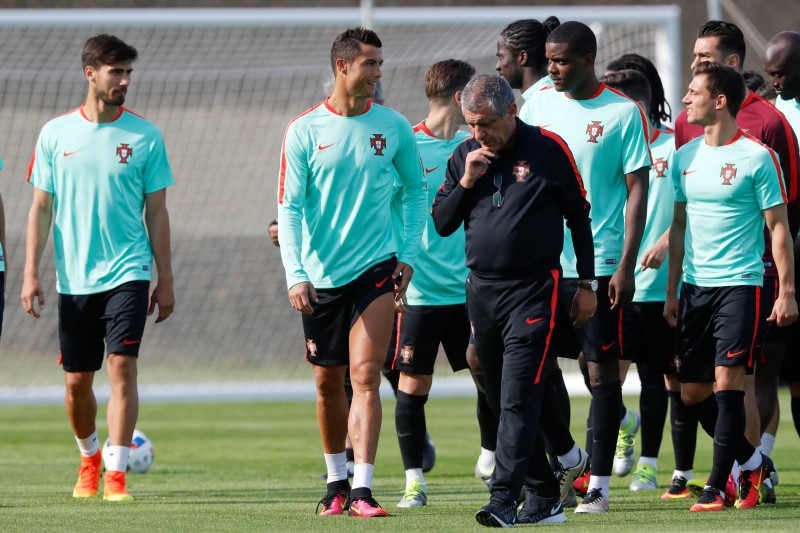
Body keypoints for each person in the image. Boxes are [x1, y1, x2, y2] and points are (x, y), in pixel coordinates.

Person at [433, 73, 595, 527]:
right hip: (481, 292)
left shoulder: (548, 149)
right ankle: (546, 496)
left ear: (511, 111)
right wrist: (465, 182)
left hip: (534, 290)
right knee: (506, 395)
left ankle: (505, 497)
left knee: (518, 397)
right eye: (470, 124)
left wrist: (588, 285)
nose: (477, 134)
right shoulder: (464, 155)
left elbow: (579, 220)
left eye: (485, 123)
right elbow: (442, 224)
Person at [277, 26, 427, 518]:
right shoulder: (303, 130)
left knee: (365, 378)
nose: (378, 74)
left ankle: (362, 490)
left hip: (376, 270)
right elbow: (291, 209)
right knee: (328, 382)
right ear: (343, 66)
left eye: (380, 64)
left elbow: (415, 193)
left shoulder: (395, 126)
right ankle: (335, 485)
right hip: (319, 278)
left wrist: (407, 254)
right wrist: (295, 275)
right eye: (370, 64)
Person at [20, 34, 175, 502]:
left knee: (123, 368)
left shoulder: (146, 136)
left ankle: (116, 474)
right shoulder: (54, 133)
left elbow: (157, 212)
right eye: (116, 72)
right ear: (91, 73)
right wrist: (30, 272)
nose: (125, 81)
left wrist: (164, 276)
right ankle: (88, 458)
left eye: (129, 72)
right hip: (74, 280)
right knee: (75, 385)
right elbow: (40, 208)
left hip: (128, 272)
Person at [523, 21, 651, 513]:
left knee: (602, 377)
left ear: (588, 60)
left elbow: (638, 188)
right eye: (548, 60)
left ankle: (597, 485)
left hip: (596, 264)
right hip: (539, 264)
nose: (551, 69)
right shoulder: (536, 105)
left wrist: (625, 264)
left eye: (560, 61)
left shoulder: (622, 113)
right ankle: (567, 457)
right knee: (529, 367)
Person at [673, 21, 800, 500]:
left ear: (719, 100)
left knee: (730, 385)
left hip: (742, 284)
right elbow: (679, 227)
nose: (685, 100)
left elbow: (780, 227)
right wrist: (671, 293)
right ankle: (751, 463)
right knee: (691, 392)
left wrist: (786, 291)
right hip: (692, 288)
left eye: (693, 92)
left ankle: (716, 486)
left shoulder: (758, 155)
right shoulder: (684, 156)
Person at [387, 58, 475, 508]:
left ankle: (492, 456)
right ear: (460, 97)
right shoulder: (408, 145)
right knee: (412, 387)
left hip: (469, 291)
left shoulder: (475, 146)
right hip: (419, 293)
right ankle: (414, 481)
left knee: (490, 377)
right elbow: (387, 209)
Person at [599, 68, 676, 492]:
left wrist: (664, 240)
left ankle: (648, 463)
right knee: (606, 376)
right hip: (616, 280)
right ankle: (624, 423)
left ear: (638, 107)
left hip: (663, 285)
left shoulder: (674, 145)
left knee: (657, 376)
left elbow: (688, 206)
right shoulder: (610, 146)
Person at [764, 30, 800, 449]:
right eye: (771, 74)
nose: (775, 82)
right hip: (783, 253)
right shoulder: (775, 115)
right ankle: (762, 464)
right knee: (773, 364)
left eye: (783, 74)